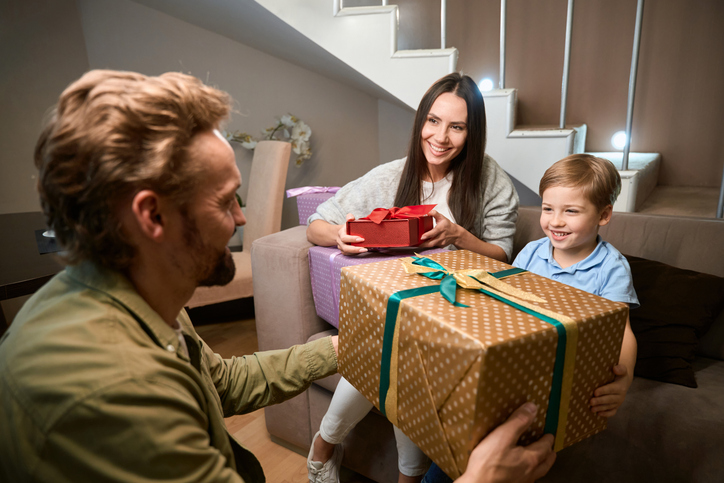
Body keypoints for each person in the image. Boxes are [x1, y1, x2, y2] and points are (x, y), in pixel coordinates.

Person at [0, 69, 553, 483]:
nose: (245, 220)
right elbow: (322, 221)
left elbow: (225, 385)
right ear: (151, 217)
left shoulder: (139, 303)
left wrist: (355, 344)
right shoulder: (113, 393)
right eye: (227, 201)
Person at [305, 73, 519, 483]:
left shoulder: (490, 181)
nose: (441, 137)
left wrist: (459, 235)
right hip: (394, 308)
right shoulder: (390, 177)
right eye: (433, 121)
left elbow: (504, 257)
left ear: (472, 133)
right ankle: (403, 475)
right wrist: (341, 237)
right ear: (420, 122)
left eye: (457, 127)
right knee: (401, 349)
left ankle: (323, 447)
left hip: (458, 313)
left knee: (401, 351)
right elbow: (316, 223)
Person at [512, 153, 639, 418]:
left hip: (573, 366)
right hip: (522, 356)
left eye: (571, 211)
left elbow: (622, 331)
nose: (556, 221)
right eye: (548, 209)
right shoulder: (530, 254)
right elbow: (507, 305)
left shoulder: (611, 267)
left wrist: (624, 381)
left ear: (603, 215)